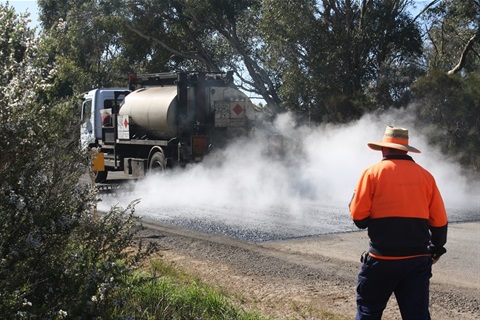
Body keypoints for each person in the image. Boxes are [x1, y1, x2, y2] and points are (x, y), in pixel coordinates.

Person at [349, 126, 448, 320]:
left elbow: (359, 219)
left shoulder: (371, 173)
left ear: (384, 148)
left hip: (382, 261)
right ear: (405, 149)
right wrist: (436, 248)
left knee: (368, 312)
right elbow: (439, 220)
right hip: (417, 261)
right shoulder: (426, 177)